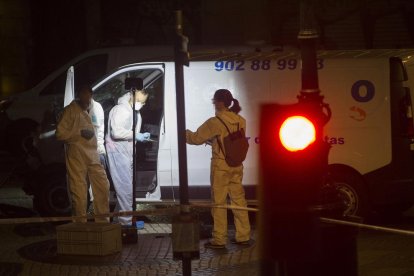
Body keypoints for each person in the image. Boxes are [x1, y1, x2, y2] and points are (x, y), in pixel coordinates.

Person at [186, 89, 251, 249]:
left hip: (221, 166)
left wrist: (183, 132)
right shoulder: (240, 120)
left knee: (219, 203)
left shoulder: (214, 122)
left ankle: (219, 239)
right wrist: (215, 141)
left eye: (214, 101)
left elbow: (195, 138)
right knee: (239, 200)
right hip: (236, 165)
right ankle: (243, 236)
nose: (213, 104)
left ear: (220, 102)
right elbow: (231, 141)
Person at [56, 86, 110, 222]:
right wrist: (78, 133)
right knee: (79, 190)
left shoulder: (94, 108)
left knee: (103, 186)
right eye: (83, 94)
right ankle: (80, 224)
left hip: (93, 153)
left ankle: (102, 221)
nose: (86, 98)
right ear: (79, 95)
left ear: (91, 95)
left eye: (88, 95)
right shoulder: (70, 110)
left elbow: (99, 129)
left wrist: (100, 148)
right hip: (76, 153)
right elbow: (60, 134)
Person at [105, 88, 150, 226]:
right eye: (139, 101)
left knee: (125, 189)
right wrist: (136, 135)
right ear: (132, 96)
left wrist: (138, 137)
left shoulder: (133, 111)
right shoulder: (121, 110)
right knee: (125, 190)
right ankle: (126, 223)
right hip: (117, 152)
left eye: (143, 102)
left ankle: (120, 220)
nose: (140, 104)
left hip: (125, 153)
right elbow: (116, 132)